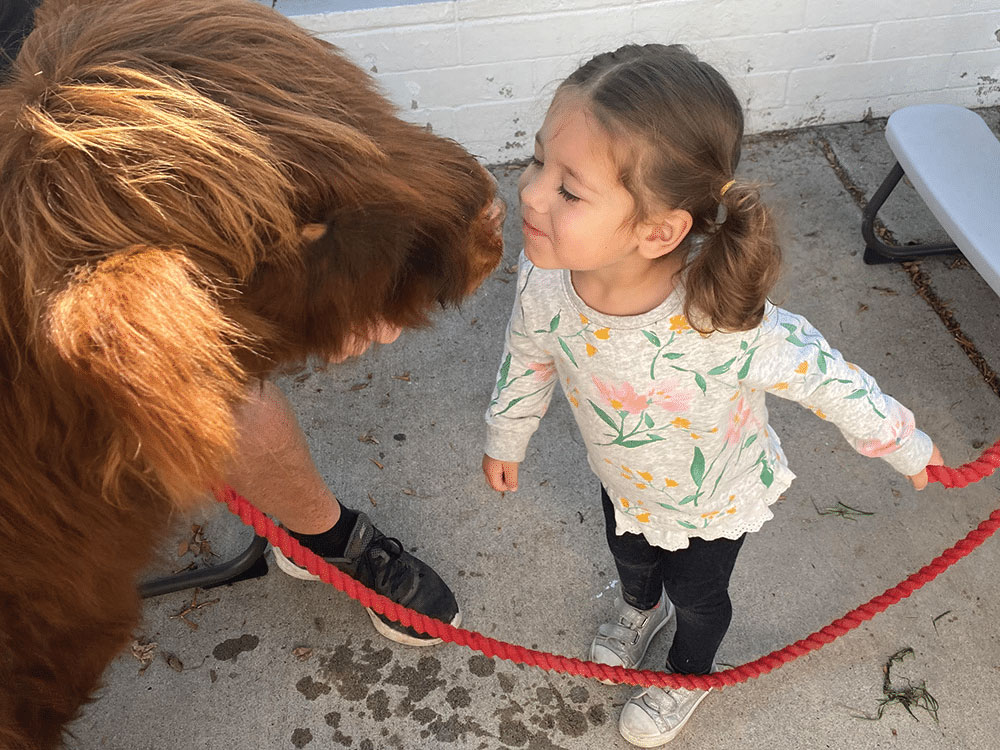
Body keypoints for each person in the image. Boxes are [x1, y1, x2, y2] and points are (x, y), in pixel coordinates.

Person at [480, 43, 941, 747]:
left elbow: (828, 377)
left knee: (698, 597)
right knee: (629, 556)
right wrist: (506, 435)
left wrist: (903, 444)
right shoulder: (546, 279)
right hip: (622, 479)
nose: (532, 192)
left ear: (658, 230)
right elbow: (527, 354)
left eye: (569, 188)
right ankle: (640, 608)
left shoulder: (722, 323)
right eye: (538, 159)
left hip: (712, 503)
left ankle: (690, 669)